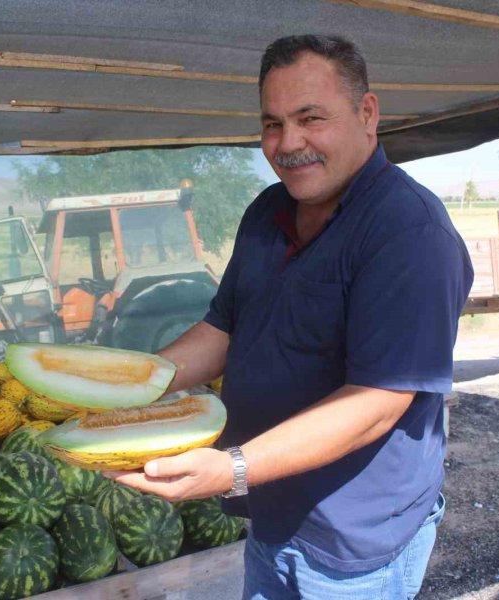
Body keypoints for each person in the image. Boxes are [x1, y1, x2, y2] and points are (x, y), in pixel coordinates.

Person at [109, 34, 474, 599]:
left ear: (367, 113)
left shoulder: (409, 232)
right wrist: (122, 390)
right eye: (272, 124)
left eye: (311, 118)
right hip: (270, 512)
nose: (289, 143)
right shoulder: (266, 212)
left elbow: (376, 403)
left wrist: (230, 469)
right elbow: (220, 332)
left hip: (353, 548)